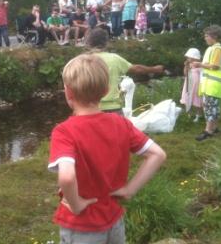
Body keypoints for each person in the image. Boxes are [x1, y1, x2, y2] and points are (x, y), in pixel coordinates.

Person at [48, 54, 166, 244]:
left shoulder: (64, 132)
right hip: (113, 219)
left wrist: (77, 205)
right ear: (105, 91)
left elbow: (67, 177)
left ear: (68, 93)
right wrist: (129, 190)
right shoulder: (121, 123)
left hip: (81, 226)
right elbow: (157, 155)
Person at [86, 28, 164, 113]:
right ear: (106, 43)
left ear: (89, 43)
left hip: (90, 108)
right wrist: (155, 69)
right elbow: (137, 69)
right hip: (113, 108)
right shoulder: (114, 58)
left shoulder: (82, 61)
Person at [192, 25, 221, 141]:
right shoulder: (213, 48)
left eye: (207, 36)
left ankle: (208, 131)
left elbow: (215, 66)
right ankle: (214, 128)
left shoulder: (217, 49)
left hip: (213, 84)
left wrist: (199, 64)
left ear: (214, 36)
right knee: (212, 107)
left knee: (209, 107)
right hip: (209, 84)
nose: (205, 38)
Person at [180, 48, 202, 122]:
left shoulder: (200, 65)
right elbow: (185, 74)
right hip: (188, 84)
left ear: (194, 57)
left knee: (196, 99)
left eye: (189, 57)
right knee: (187, 98)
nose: (188, 58)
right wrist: (186, 66)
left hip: (196, 85)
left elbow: (202, 75)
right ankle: (189, 114)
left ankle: (198, 115)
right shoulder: (189, 65)